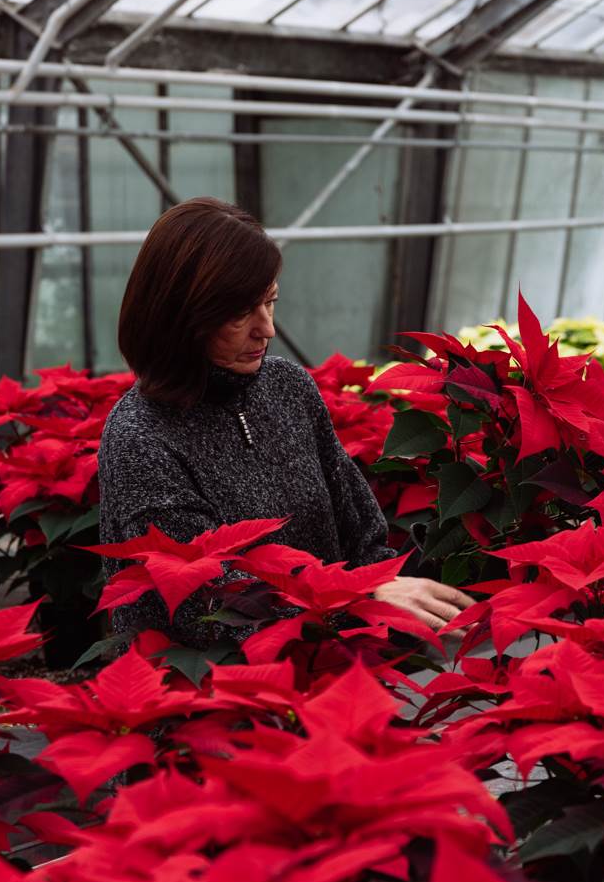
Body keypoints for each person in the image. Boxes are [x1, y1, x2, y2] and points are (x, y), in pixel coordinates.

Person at [97, 197, 473, 650]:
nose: (267, 329)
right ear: (181, 316)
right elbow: (206, 605)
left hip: (332, 667)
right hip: (215, 700)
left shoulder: (288, 388)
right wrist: (359, 599)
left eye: (270, 303)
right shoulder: (140, 435)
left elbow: (364, 541)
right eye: (240, 314)